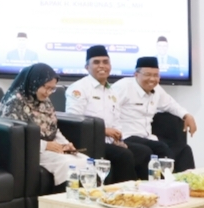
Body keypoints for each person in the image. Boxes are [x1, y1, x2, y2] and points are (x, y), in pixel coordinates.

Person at [64, 45, 152, 181]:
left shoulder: (112, 91)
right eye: (96, 62)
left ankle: (146, 189)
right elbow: (74, 122)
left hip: (110, 143)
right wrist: (103, 131)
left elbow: (116, 121)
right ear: (87, 67)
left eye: (105, 62)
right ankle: (125, 190)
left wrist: (119, 140)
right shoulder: (79, 88)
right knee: (124, 155)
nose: (102, 66)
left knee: (144, 151)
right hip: (88, 143)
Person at [0, 64, 87, 185]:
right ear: (34, 83)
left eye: (52, 89)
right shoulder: (14, 103)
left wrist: (65, 144)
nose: (48, 93)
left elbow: (53, 129)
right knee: (68, 164)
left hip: (44, 148)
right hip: (28, 151)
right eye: (46, 87)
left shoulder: (45, 101)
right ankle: (66, 196)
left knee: (85, 160)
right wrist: (45, 145)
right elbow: (15, 138)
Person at [113, 56, 197, 171]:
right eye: (147, 75)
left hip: (147, 136)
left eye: (156, 75)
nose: (152, 79)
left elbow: (170, 104)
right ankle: (165, 181)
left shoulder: (157, 89)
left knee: (183, 149)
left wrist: (187, 115)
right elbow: (108, 108)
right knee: (161, 148)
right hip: (127, 135)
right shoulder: (123, 87)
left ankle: (188, 180)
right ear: (136, 74)